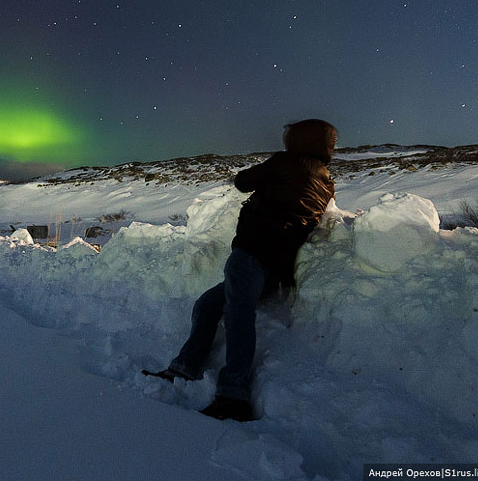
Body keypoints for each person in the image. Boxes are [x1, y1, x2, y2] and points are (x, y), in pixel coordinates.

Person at [144, 119, 337, 421]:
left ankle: (233, 394)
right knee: (208, 306)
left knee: (237, 316)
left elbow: (243, 182)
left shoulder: (284, 163)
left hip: (252, 253)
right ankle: (184, 368)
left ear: (299, 140)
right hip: (276, 267)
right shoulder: (326, 183)